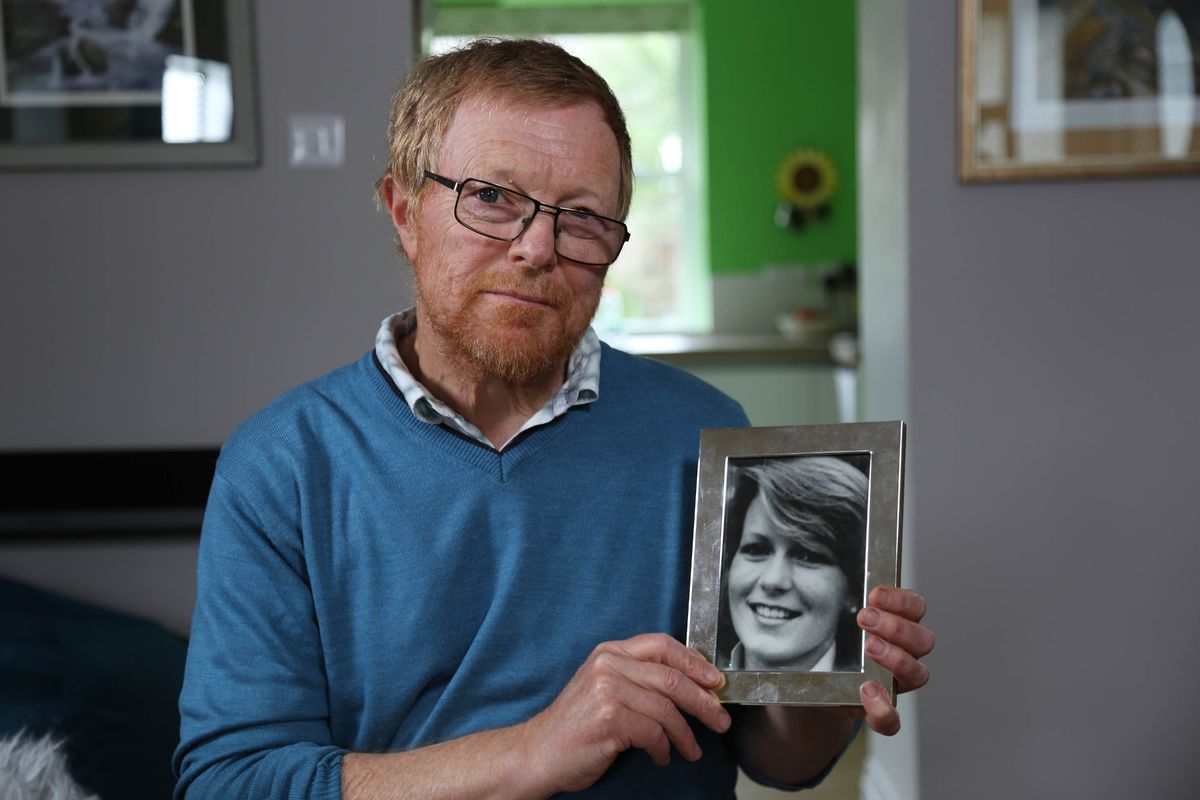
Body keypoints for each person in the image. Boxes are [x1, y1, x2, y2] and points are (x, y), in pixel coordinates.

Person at [174, 38, 934, 799]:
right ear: (405, 211)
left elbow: (780, 762)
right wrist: (533, 751)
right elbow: (229, 783)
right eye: (493, 198)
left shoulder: (706, 431)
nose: (538, 248)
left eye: (582, 217)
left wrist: (828, 679)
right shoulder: (281, 464)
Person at [718, 456, 868, 673]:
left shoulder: (869, 700)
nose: (773, 580)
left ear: (854, 590)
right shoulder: (687, 689)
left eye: (807, 556)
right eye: (755, 550)